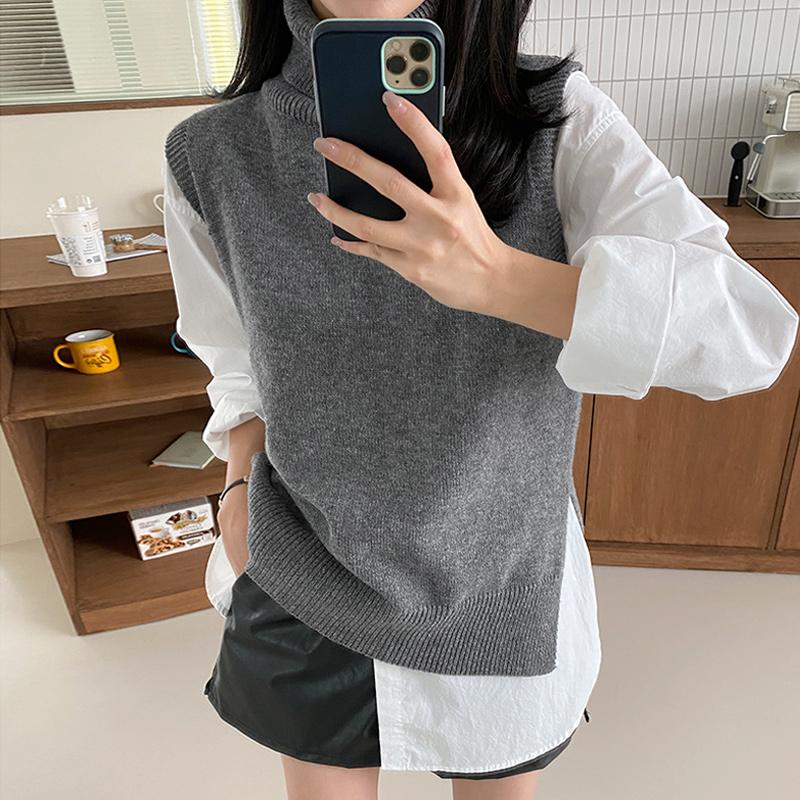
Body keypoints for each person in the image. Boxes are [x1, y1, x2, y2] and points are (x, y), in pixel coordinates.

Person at [162, 0, 799, 797]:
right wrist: (235, 490)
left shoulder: (555, 120)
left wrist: (502, 278)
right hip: (301, 561)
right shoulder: (209, 154)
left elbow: (747, 336)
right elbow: (233, 358)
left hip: (498, 578)